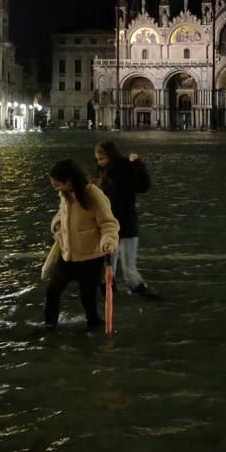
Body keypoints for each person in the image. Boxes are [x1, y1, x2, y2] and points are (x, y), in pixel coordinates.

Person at [42, 159, 120, 330]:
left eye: (57, 184)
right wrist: (56, 223)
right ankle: (49, 327)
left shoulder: (94, 195)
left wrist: (108, 241)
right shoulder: (65, 194)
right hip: (67, 255)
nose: (55, 188)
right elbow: (62, 214)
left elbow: (109, 223)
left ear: (69, 181)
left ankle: (94, 330)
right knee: (52, 291)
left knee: (88, 299)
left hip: (91, 258)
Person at [94, 140, 158, 298]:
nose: (99, 162)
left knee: (124, 266)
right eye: (97, 159)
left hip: (123, 223)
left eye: (101, 159)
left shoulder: (124, 171)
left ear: (110, 157)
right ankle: (113, 291)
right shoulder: (105, 173)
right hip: (112, 225)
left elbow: (143, 186)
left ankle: (132, 290)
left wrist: (137, 164)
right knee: (110, 266)